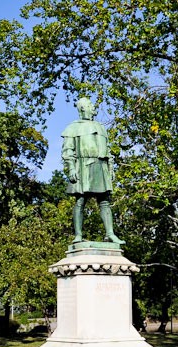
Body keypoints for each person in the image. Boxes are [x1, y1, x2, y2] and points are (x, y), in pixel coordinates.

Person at [61, 97, 125, 244]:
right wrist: (71, 167)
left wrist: (110, 168)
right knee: (80, 200)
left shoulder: (100, 127)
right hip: (83, 166)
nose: (93, 106)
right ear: (83, 108)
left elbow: (108, 150)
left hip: (101, 166)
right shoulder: (73, 127)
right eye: (90, 105)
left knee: (104, 201)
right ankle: (78, 235)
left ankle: (110, 233)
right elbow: (67, 150)